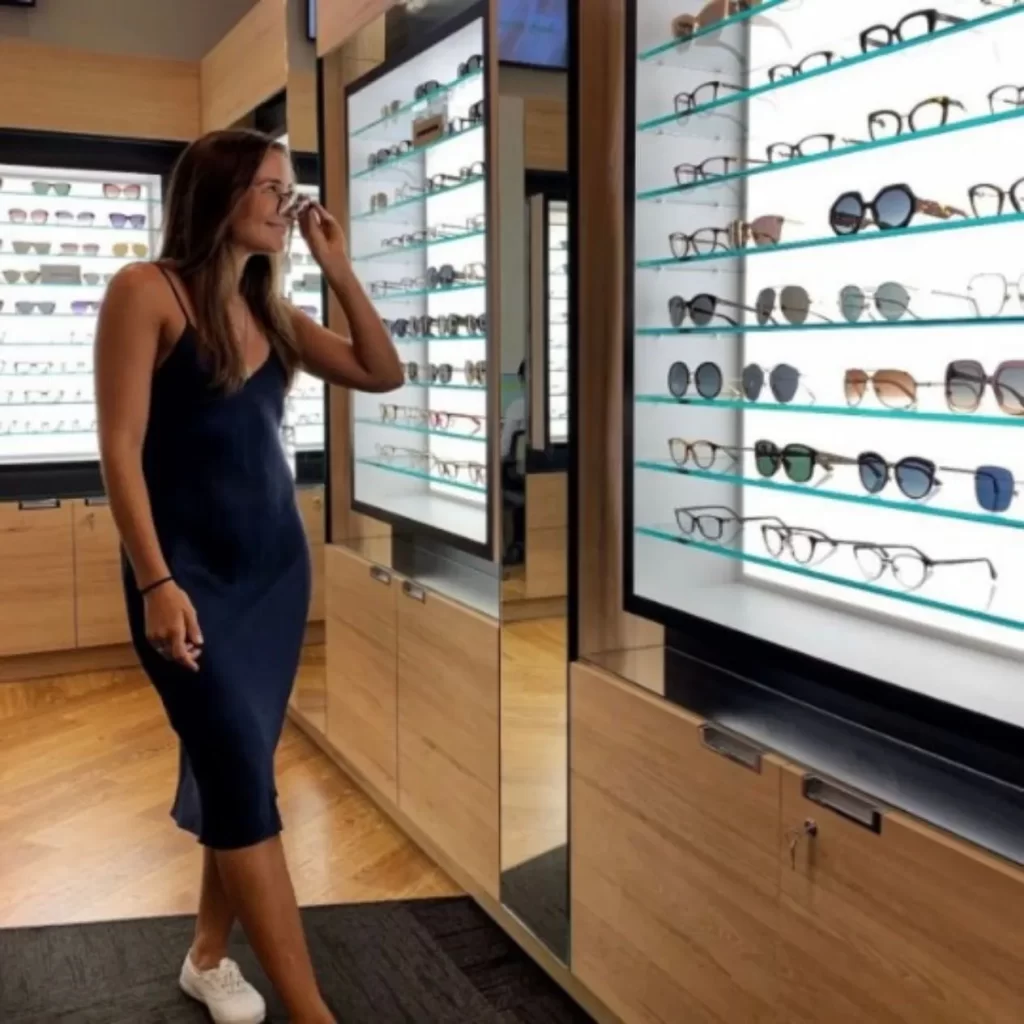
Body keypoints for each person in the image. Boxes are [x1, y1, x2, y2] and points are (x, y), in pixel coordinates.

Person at [95, 129, 403, 1024]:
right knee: (239, 771)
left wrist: (336, 267)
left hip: (274, 576)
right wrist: (155, 582)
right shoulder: (144, 292)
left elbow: (383, 372)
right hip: (186, 579)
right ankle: (313, 1014)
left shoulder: (272, 313)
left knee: (240, 776)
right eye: (272, 188)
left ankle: (205, 955)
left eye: (291, 189)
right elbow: (117, 448)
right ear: (220, 195)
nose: (288, 203)